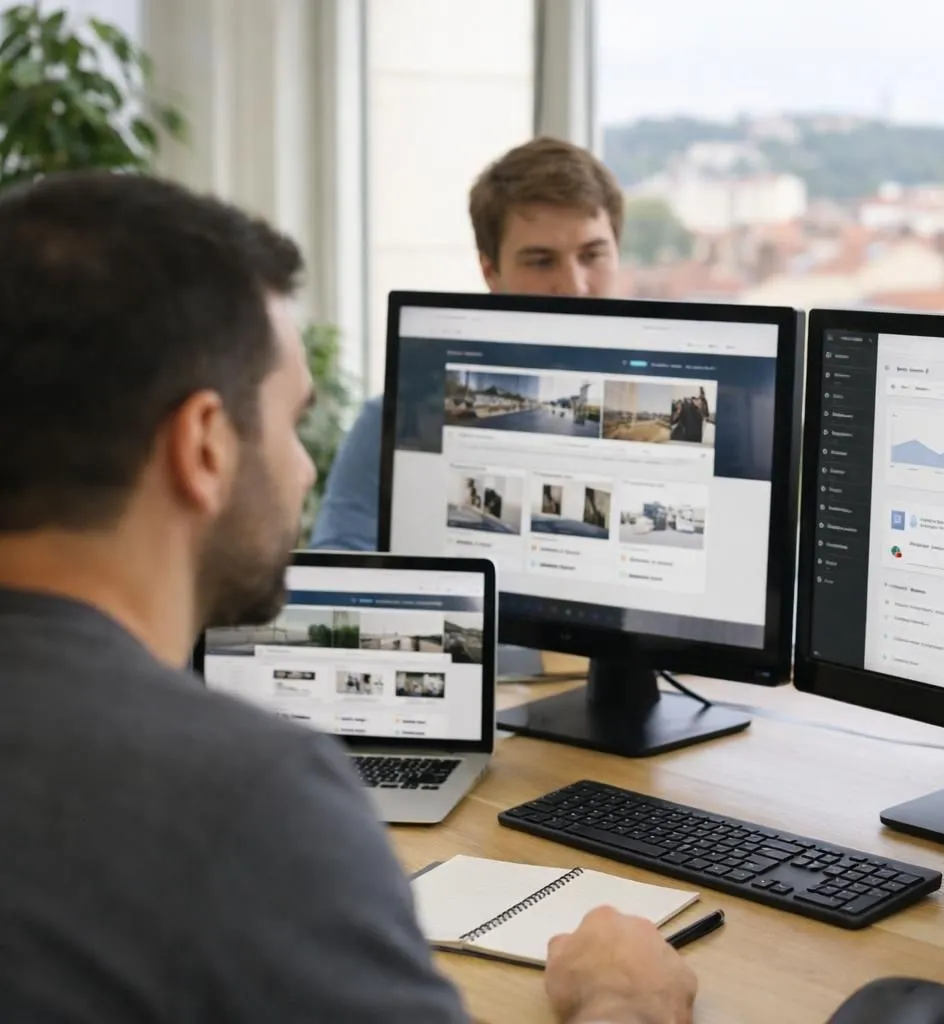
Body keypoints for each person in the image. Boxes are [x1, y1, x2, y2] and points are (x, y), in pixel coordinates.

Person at [0, 172, 694, 1024]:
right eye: (291, 422)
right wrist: (625, 999)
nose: (302, 469)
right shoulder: (245, 803)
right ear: (204, 447)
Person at [311, 136, 625, 551]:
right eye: (541, 260)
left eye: (592, 255)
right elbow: (342, 569)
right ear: (490, 271)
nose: (574, 286)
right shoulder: (393, 423)